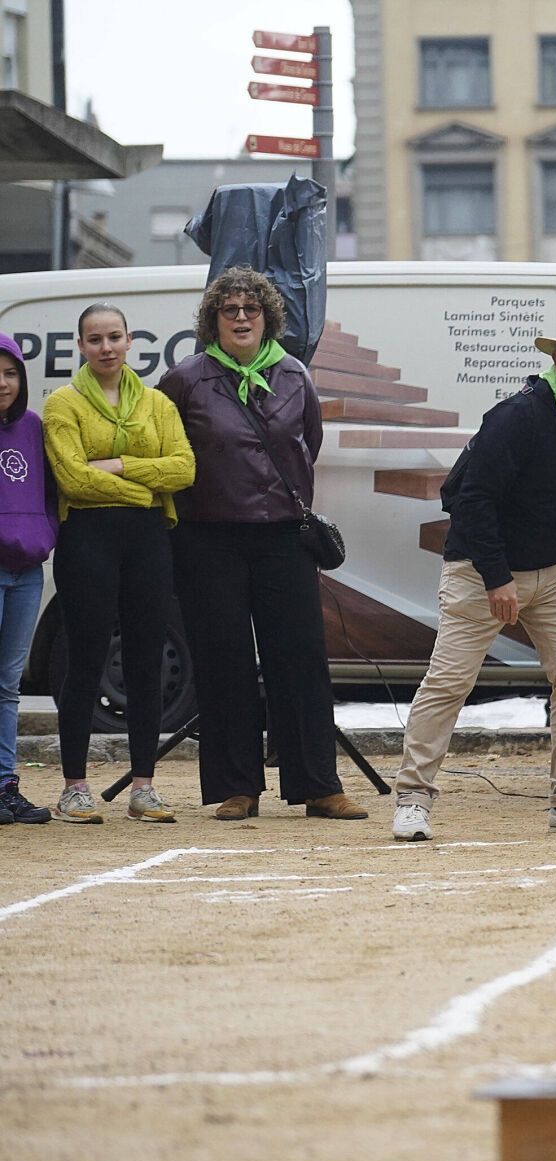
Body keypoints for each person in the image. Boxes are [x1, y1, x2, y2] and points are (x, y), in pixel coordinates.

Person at [390, 305, 556, 841]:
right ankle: (413, 798)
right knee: (450, 681)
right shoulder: (519, 416)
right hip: (480, 566)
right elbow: (470, 499)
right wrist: (495, 576)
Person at [158, 267, 366, 821]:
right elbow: (168, 452)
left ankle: (318, 785)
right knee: (223, 661)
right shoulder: (184, 379)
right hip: (209, 539)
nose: (241, 317)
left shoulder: (295, 374)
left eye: (251, 308)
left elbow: (307, 444)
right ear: (213, 320)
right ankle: (237, 786)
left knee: (300, 660)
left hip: (283, 536)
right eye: (229, 309)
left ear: (268, 317)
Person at [41, 303, 195, 824]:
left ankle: (144, 787)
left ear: (131, 341)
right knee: (84, 659)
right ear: (81, 346)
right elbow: (72, 479)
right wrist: (143, 488)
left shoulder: (157, 403)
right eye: (95, 339)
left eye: (114, 337)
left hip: (149, 541)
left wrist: (119, 465)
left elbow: (184, 469)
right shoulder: (62, 404)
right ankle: (74, 787)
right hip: (87, 538)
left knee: (145, 660)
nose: (105, 347)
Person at [0, 333, 56, 826]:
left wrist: (44, 534)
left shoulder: (34, 427)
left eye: (10, 372)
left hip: (27, 573)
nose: (3, 382)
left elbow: (51, 493)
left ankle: (5, 786)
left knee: (8, 684)